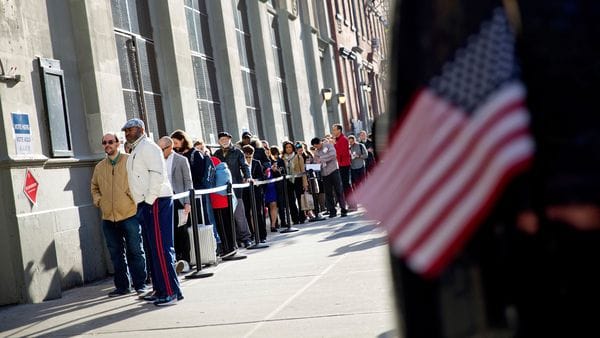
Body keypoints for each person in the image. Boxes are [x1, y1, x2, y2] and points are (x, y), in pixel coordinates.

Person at [122, 118, 182, 306]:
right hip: (147, 202)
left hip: (156, 201)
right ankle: (160, 288)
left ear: (141, 129)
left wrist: (148, 202)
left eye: (130, 129)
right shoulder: (137, 148)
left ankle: (170, 292)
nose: (127, 133)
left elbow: (157, 175)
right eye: (125, 130)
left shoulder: (148, 147)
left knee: (161, 248)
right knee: (152, 249)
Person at [91, 133, 147, 297]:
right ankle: (122, 286)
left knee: (135, 252)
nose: (107, 145)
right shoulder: (100, 167)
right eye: (104, 142)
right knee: (116, 255)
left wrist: (132, 197)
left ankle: (140, 285)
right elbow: (94, 187)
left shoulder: (130, 160)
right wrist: (99, 201)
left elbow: (140, 181)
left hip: (130, 214)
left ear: (118, 143)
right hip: (108, 218)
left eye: (110, 142)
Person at [157, 136, 193, 272]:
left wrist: (187, 202)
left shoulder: (181, 160)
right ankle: (174, 261)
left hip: (179, 200)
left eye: (162, 149)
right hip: (164, 201)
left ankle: (186, 261)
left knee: (182, 232)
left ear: (170, 147)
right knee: (168, 232)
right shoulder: (157, 161)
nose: (160, 152)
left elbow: (188, 181)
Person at [214, 131, 253, 247]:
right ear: (219, 141)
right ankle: (233, 240)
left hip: (235, 187)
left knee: (239, 214)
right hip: (221, 189)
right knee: (227, 216)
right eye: (222, 140)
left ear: (230, 139)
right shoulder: (216, 153)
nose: (224, 141)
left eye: (226, 139)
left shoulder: (237, 152)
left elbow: (244, 165)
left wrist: (248, 176)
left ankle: (246, 238)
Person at [311, 137, 347, 218]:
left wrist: (322, 159)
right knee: (328, 193)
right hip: (324, 173)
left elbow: (333, 155)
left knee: (339, 191)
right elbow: (316, 161)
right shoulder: (316, 152)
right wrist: (318, 161)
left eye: (317, 145)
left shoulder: (328, 146)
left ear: (320, 142)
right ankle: (332, 211)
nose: (316, 148)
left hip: (334, 170)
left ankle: (343, 209)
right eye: (315, 146)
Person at [242, 145, 267, 242]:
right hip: (244, 191)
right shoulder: (241, 164)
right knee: (246, 213)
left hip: (256, 191)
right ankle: (251, 235)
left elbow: (262, 177)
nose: (248, 158)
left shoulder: (257, 163)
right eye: (246, 156)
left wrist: (255, 180)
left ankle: (262, 235)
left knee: (258, 213)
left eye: (250, 156)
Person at [331, 124, 353, 209]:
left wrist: (334, 145)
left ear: (339, 130)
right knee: (343, 185)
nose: (333, 132)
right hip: (339, 165)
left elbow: (342, 153)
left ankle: (352, 204)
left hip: (344, 164)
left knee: (346, 185)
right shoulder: (336, 139)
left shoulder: (343, 139)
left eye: (334, 130)